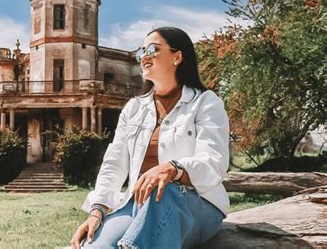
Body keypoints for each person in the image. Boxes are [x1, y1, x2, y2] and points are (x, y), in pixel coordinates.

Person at [70, 27, 229, 249]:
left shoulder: (206, 103)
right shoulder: (134, 108)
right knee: (94, 246)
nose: (144, 56)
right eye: (141, 52)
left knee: (166, 193)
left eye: (153, 49)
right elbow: (114, 163)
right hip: (138, 203)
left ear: (178, 56)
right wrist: (97, 210)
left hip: (198, 204)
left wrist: (174, 169)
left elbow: (215, 161)